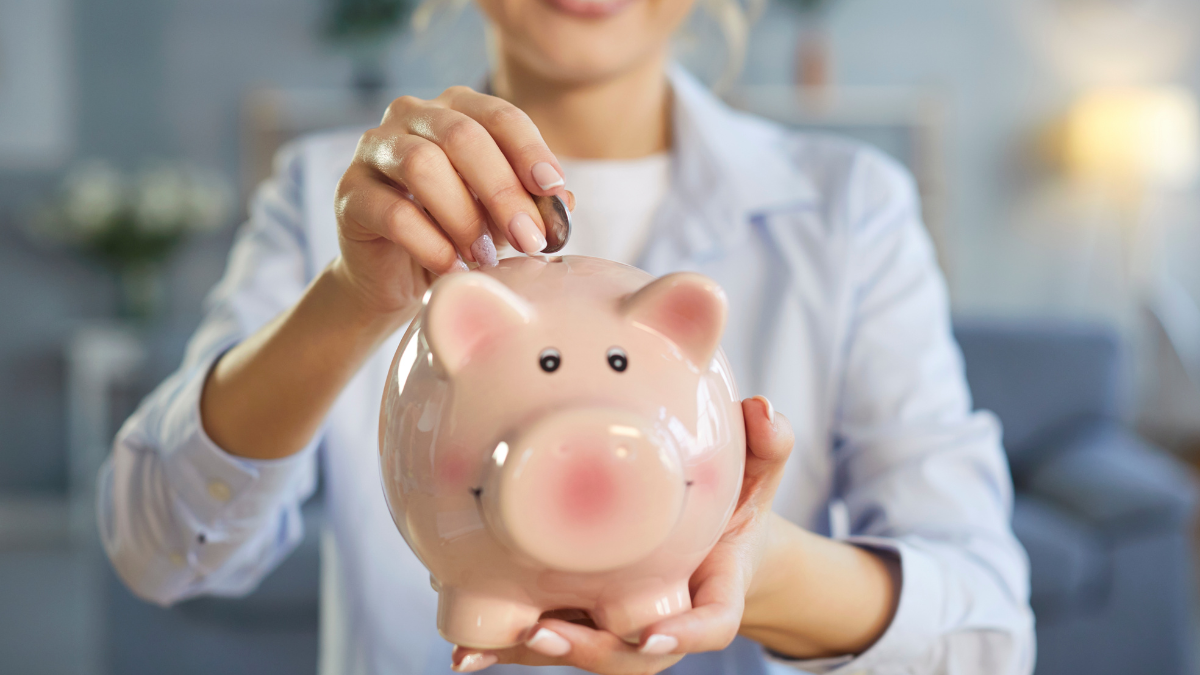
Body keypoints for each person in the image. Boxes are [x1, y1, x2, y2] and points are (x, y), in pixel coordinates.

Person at [97, 0, 1035, 672]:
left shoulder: (850, 208)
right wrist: (349, 297)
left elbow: (988, 632)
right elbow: (158, 545)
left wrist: (750, 566)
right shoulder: (328, 195)